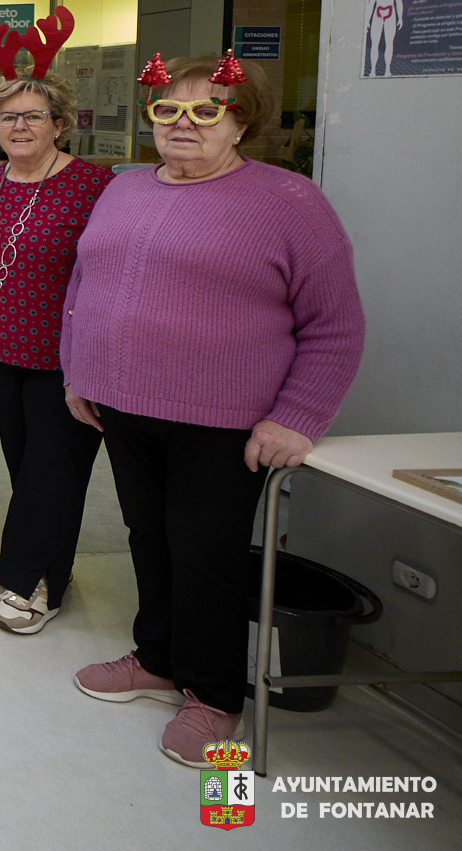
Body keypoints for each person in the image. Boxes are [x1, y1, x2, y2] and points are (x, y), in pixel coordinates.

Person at [64, 53, 363, 767]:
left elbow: (335, 325)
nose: (184, 123)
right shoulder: (124, 188)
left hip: (224, 419)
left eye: (207, 110)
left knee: (207, 555)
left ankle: (214, 694)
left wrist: (298, 416)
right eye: (168, 109)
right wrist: (80, 370)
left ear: (241, 122)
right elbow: (84, 282)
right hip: (123, 405)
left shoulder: (289, 201)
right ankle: (158, 658)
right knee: (148, 537)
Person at [0, 72, 112, 633]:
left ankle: (35, 580)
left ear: (60, 125)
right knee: (25, 463)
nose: (19, 126)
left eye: (33, 116)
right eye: (8, 117)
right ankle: (37, 556)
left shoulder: (94, 185)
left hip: (64, 356)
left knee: (54, 468)